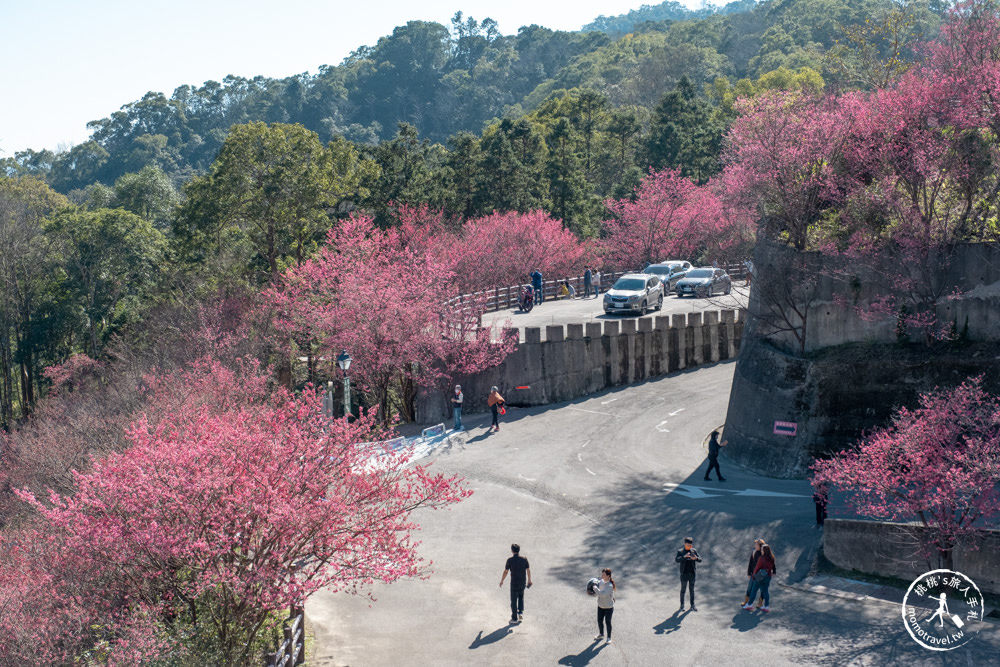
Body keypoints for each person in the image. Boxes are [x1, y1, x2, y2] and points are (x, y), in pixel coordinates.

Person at [499, 543, 532, 623]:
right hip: (522, 583)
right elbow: (528, 570)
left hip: (514, 584)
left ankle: (514, 618)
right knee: (521, 598)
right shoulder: (524, 559)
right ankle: (520, 615)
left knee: (513, 601)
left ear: (512, 551)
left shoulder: (510, 560)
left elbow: (506, 571)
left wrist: (502, 580)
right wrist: (529, 580)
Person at [743, 543, 776, 612]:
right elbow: (773, 566)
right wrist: (774, 572)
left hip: (760, 577)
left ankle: (749, 605)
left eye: (762, 550)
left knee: (754, 590)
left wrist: (754, 576)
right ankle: (766, 606)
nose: (761, 551)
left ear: (764, 551)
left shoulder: (761, 558)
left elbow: (757, 568)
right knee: (765, 591)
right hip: (768, 576)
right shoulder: (772, 557)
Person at [675, 536, 702, 611]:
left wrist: (695, 558)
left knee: (692, 590)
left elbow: (700, 559)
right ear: (684, 544)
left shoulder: (694, 551)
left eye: (690, 545)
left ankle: (692, 605)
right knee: (683, 590)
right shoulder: (680, 551)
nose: (689, 547)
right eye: (687, 545)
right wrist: (684, 557)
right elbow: (677, 560)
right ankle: (682, 606)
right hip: (684, 574)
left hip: (692, 574)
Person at [594, 567, 616, 644]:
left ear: (608, 576)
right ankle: (601, 634)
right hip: (600, 606)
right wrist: (591, 589)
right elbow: (595, 587)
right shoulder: (601, 582)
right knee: (599, 621)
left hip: (608, 607)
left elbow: (602, 594)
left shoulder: (610, 586)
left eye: (603, 575)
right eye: (602, 574)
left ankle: (609, 637)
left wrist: (595, 589)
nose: (602, 576)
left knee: (608, 622)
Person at [743, 538, 764, 607]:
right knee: (750, 587)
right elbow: (750, 563)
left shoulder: (764, 553)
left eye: (756, 544)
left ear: (760, 545)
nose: (755, 545)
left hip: (761, 575)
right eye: (755, 544)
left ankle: (760, 603)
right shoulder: (754, 552)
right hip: (753, 574)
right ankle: (746, 601)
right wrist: (749, 573)